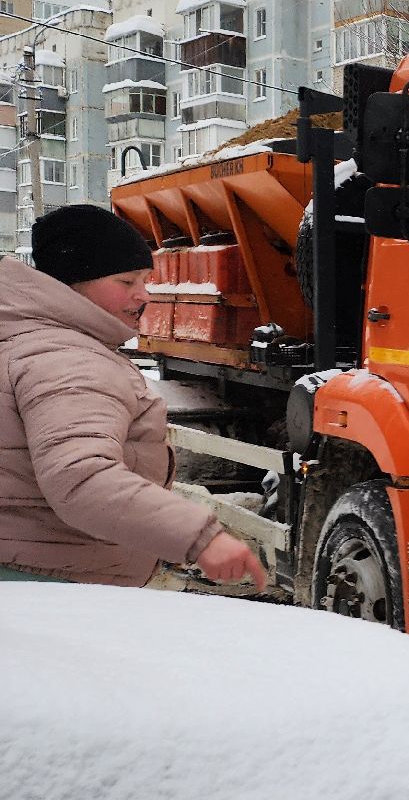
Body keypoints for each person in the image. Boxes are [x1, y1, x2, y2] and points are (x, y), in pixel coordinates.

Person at [0, 205, 268, 589]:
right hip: (56, 580)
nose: (143, 295)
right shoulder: (68, 361)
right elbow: (82, 479)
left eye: (145, 280)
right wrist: (201, 538)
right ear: (71, 283)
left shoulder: (27, 339)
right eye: (126, 281)